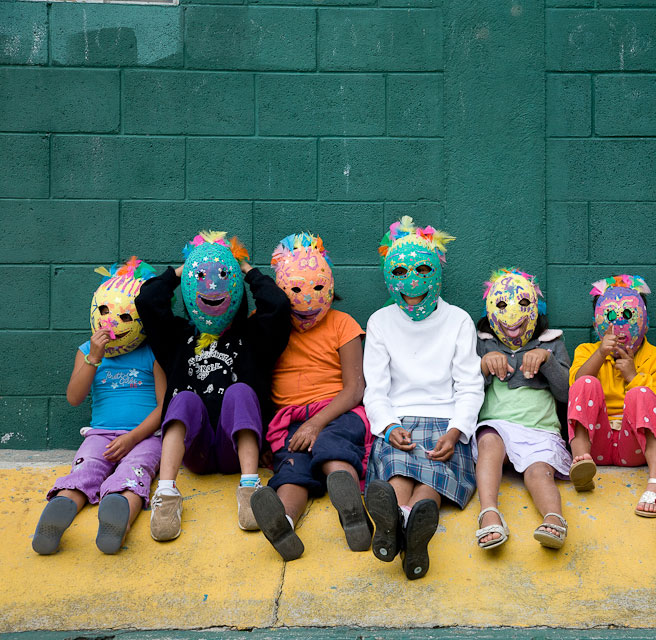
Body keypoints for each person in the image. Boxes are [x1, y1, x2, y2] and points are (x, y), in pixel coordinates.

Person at [135, 231, 290, 541]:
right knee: (183, 399)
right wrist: (182, 271)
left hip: (236, 449)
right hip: (197, 450)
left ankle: (250, 491)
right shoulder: (177, 337)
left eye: (222, 278)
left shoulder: (252, 336)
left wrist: (246, 270)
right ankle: (166, 494)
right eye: (202, 279)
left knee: (240, 391)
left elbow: (278, 306)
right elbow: (147, 301)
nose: (212, 288)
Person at [362, 216, 484, 579]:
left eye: (422, 271)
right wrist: (388, 426)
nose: (412, 283)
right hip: (399, 420)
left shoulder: (458, 321)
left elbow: (469, 385)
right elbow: (375, 389)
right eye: (401, 272)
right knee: (397, 469)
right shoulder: (380, 321)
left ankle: (403, 531)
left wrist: (456, 432)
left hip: (447, 422)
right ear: (389, 276)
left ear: (436, 272)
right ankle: (403, 529)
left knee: (434, 476)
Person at [251, 233, 372, 561]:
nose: (307, 300)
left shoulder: (343, 324)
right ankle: (284, 523)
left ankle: (353, 513)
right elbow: (255, 381)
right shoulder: (267, 325)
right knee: (292, 468)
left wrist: (316, 424)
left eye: (316, 287)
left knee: (333, 447)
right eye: (295, 289)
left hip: (338, 412)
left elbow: (355, 388)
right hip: (289, 420)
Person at [33, 258, 166, 555]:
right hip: (99, 436)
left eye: (123, 316)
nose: (111, 321)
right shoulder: (87, 351)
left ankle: (118, 518)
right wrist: (94, 357)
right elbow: (74, 397)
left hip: (145, 437)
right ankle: (59, 510)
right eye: (104, 312)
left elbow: (164, 406)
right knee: (85, 471)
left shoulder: (152, 352)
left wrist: (132, 437)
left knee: (134, 474)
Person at [473, 268, 571, 550]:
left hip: (540, 430)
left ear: (535, 309)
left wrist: (547, 360)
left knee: (539, 472)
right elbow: (464, 388)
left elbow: (566, 392)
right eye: (502, 305)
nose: (512, 314)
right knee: (489, 444)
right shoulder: (482, 343)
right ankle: (489, 512)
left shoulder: (552, 342)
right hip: (497, 426)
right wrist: (483, 366)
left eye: (523, 303)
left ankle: (554, 518)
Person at [566, 275, 656, 516]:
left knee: (641, 392)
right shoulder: (586, 351)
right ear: (597, 323)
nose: (619, 324)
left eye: (628, 315)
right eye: (610, 316)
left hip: (635, 447)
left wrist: (634, 377)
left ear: (645, 322)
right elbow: (575, 387)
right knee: (585, 382)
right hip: (596, 445)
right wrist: (599, 354)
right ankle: (580, 462)